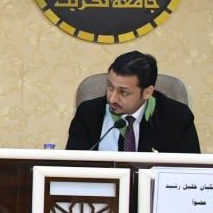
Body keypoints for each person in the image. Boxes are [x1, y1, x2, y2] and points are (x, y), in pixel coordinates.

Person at [66, 51, 199, 153]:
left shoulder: (177, 117)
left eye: (124, 92)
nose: (112, 99)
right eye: (110, 87)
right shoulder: (88, 113)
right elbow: (72, 168)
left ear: (147, 92)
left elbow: (190, 172)